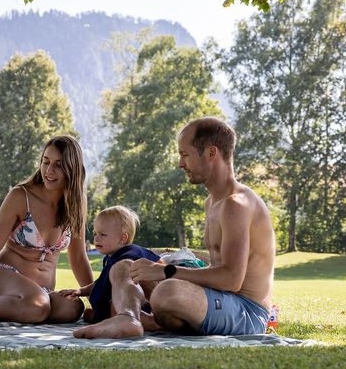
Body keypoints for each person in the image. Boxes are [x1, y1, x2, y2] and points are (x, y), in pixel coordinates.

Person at [74, 117, 275, 338]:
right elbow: (217, 269)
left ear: (211, 153)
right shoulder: (212, 202)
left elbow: (232, 280)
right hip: (218, 299)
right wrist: (159, 268)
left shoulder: (236, 205)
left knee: (167, 292)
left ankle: (148, 320)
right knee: (124, 267)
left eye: (185, 154)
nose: (180, 163)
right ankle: (130, 318)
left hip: (246, 312)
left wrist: (165, 272)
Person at [0, 135, 94, 324]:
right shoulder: (21, 197)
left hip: (42, 293)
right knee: (38, 306)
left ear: (73, 168)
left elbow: (78, 257)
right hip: (6, 280)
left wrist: (96, 300)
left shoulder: (77, 203)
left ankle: (31, 311)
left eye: (59, 165)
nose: (49, 171)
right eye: (46, 162)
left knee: (71, 307)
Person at [60, 205, 162, 324]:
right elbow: (101, 282)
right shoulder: (111, 258)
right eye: (95, 233)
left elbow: (160, 265)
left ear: (123, 238)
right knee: (88, 314)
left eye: (103, 235)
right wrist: (81, 291)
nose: (96, 238)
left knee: (100, 311)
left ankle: (145, 321)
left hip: (137, 304)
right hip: (128, 306)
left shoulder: (132, 254)